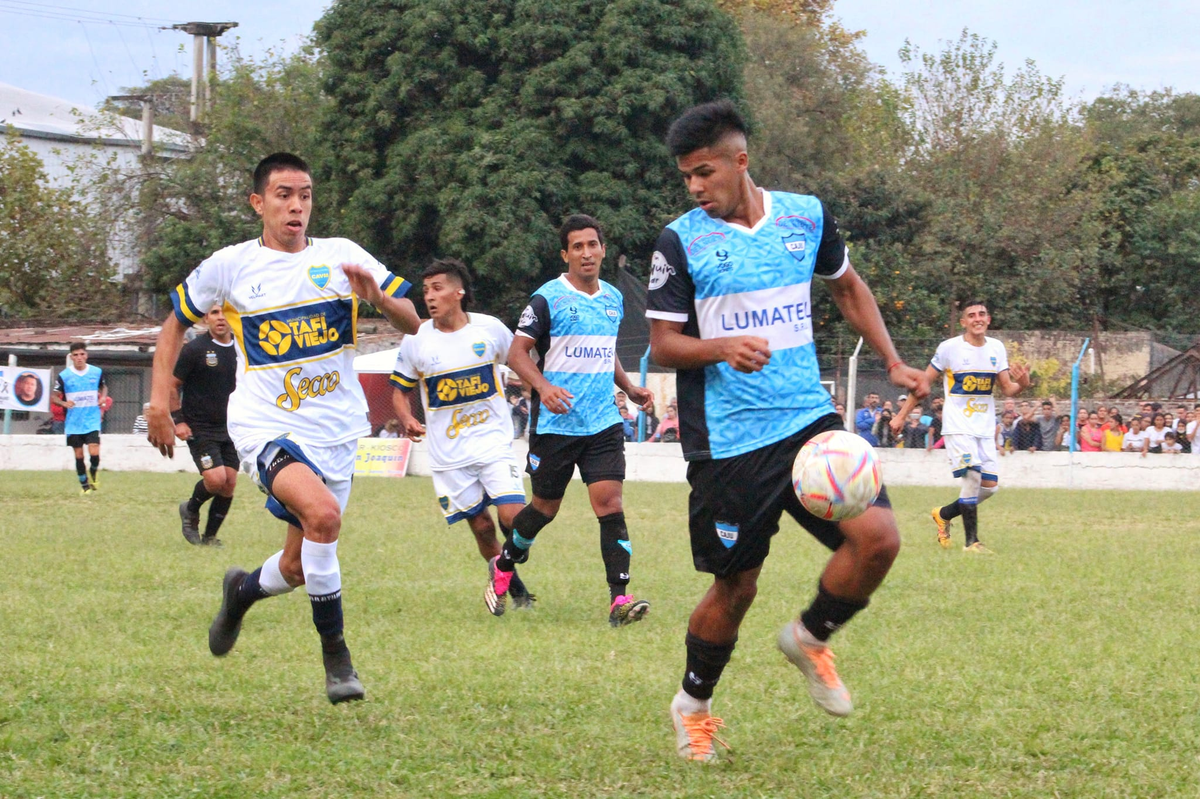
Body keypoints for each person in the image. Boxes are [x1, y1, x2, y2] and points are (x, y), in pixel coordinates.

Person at [646, 101, 928, 761]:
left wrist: (892, 361)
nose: (695, 186)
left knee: (879, 540)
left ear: (740, 160)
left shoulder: (805, 216)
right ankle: (693, 705)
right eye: (687, 176)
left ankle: (810, 636)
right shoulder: (680, 241)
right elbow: (662, 345)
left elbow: (848, 287)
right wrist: (721, 347)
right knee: (737, 585)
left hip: (809, 421)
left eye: (705, 172)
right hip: (730, 440)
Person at [145, 152, 421, 704]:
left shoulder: (342, 256)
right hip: (264, 425)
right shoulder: (230, 265)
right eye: (284, 195)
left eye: (306, 195)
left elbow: (415, 322)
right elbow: (174, 324)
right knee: (324, 516)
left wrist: (380, 300)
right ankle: (337, 659)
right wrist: (157, 402)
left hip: (336, 432)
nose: (297, 206)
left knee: (297, 566)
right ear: (258, 203)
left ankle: (241, 593)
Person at [497, 214, 656, 627]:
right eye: (578, 247)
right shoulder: (547, 299)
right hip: (557, 426)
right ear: (565, 254)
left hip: (602, 422)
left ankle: (619, 600)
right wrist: (543, 387)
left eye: (592, 244)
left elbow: (605, 350)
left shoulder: (613, 298)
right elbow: (517, 354)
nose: (587, 253)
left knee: (610, 504)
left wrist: (628, 386)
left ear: (603, 249)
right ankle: (506, 561)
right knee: (543, 509)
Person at [389, 258, 535, 616]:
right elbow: (399, 391)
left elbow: (521, 362)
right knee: (482, 527)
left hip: (493, 443)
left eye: (437, 288)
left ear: (459, 292)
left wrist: (538, 390)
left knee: (514, 518)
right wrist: (406, 417)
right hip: (449, 456)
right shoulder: (416, 339)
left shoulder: (489, 329)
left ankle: (512, 556)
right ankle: (516, 590)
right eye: (426, 290)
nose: (429, 297)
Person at [894, 300, 1030, 554]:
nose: (978, 318)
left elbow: (1008, 388)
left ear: (988, 319)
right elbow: (923, 385)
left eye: (982, 314)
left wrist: (1022, 383)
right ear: (964, 322)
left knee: (989, 488)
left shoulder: (996, 348)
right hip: (958, 426)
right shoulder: (949, 348)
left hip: (985, 428)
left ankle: (944, 514)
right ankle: (972, 543)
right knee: (973, 477)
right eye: (972, 315)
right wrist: (901, 416)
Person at [172, 305, 240, 547]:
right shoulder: (195, 349)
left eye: (225, 312)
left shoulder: (243, 349)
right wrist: (178, 420)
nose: (220, 318)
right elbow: (172, 385)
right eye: (214, 313)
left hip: (231, 427)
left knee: (229, 483)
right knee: (215, 479)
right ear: (205, 319)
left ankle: (210, 538)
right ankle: (190, 509)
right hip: (200, 427)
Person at [51, 342, 107, 494]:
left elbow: (103, 386)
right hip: (74, 422)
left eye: (82, 354)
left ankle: (94, 473)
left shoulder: (96, 372)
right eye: (76, 355)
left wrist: (103, 397)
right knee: (79, 455)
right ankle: (85, 486)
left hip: (92, 419)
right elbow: (54, 397)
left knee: (94, 451)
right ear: (71, 357)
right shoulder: (64, 376)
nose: (79, 358)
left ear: (86, 355)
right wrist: (64, 403)